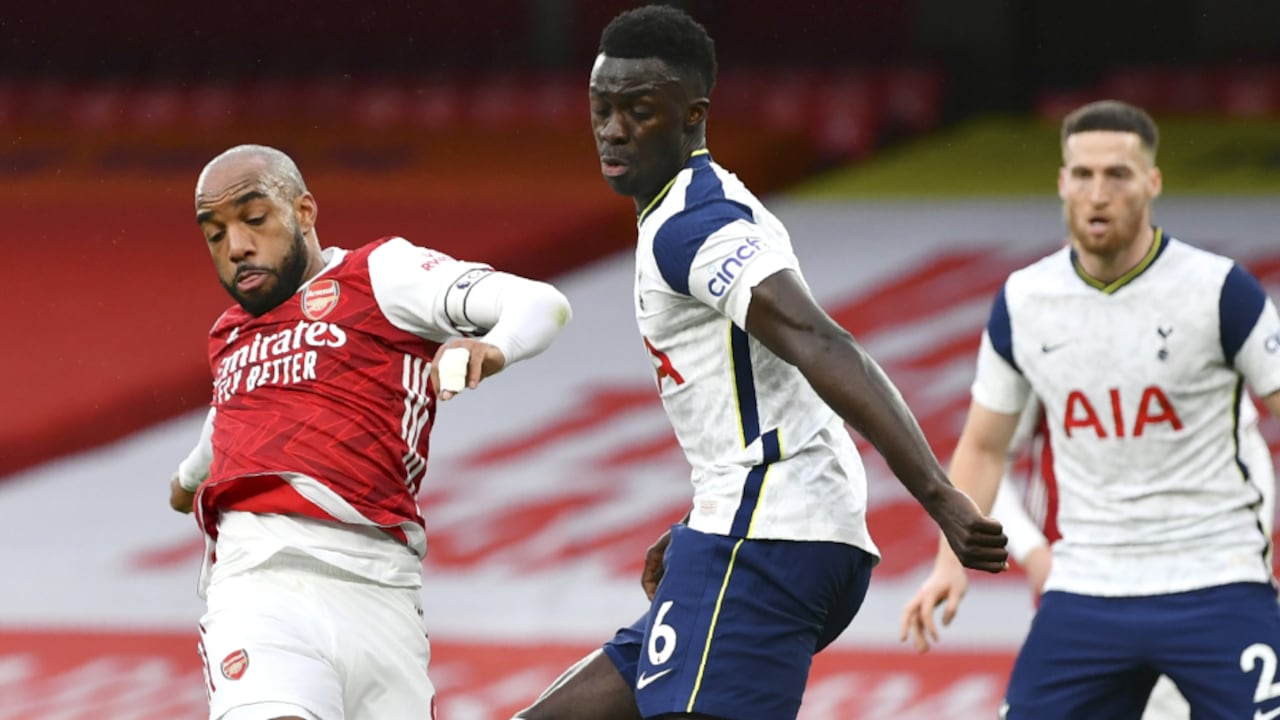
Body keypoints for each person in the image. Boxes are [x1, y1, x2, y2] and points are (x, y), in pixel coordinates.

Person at [512, 6, 1008, 720]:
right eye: (601, 108)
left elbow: (821, 343)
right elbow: (763, 385)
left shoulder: (696, 227)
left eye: (639, 111)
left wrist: (939, 499)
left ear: (693, 116)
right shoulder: (693, 208)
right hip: (747, 529)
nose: (613, 129)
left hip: (767, 540)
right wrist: (698, 518)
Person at [900, 99, 1280, 719]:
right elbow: (985, 447)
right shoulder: (1026, 300)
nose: (1097, 192)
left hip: (1216, 577)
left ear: (1152, 183)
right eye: (1082, 174)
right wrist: (950, 562)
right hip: (1087, 588)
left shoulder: (1218, 290)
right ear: (1061, 183)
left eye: (1118, 174)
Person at [167, 144, 572, 720]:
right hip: (261, 584)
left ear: (303, 212)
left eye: (254, 220)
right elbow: (229, 414)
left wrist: (493, 346)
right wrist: (187, 480)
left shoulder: (380, 274)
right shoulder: (229, 335)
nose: (236, 247)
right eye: (215, 234)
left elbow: (542, 302)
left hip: (384, 595)